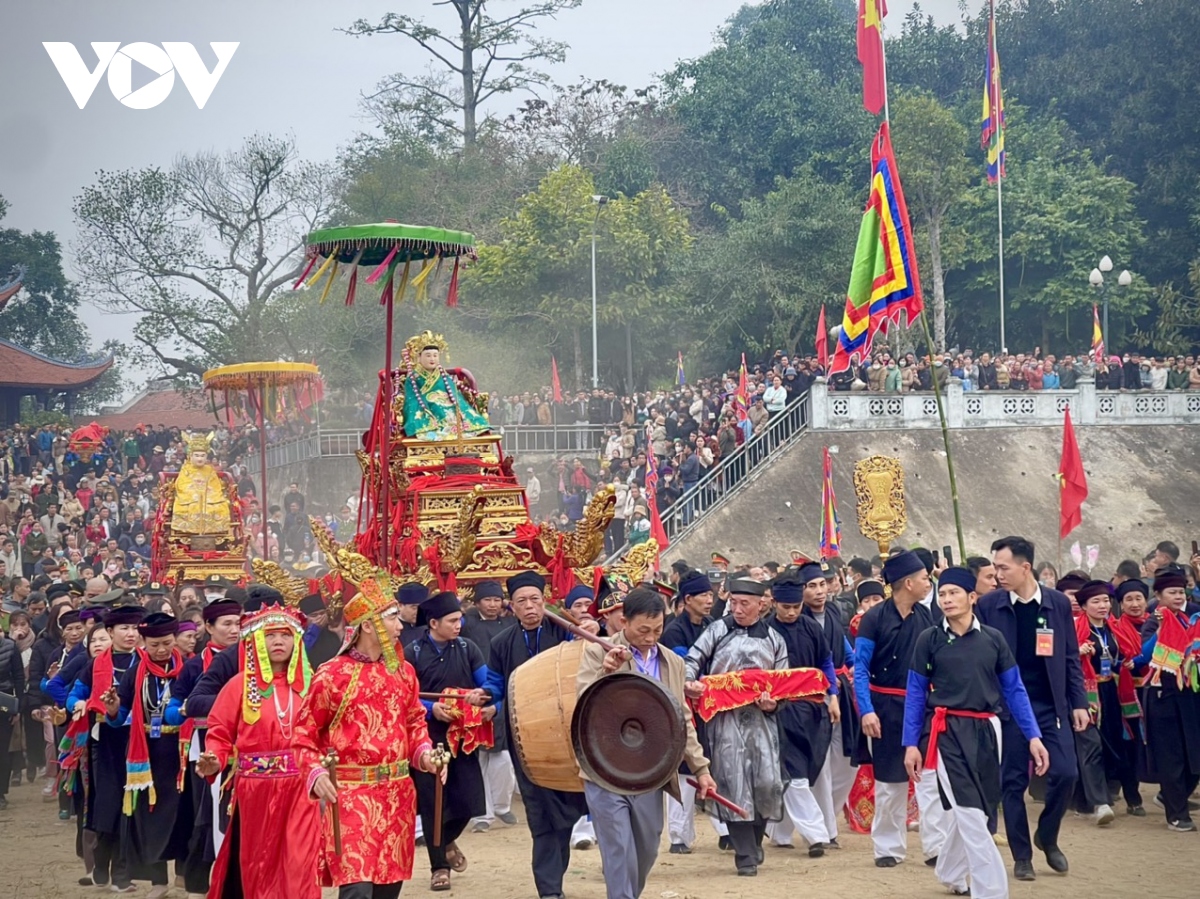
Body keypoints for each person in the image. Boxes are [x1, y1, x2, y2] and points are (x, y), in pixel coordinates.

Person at [292, 570, 442, 899]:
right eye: (391, 618)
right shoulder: (332, 675)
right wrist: (315, 772)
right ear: (369, 625)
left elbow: (415, 722)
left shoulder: (403, 672)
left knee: (388, 887)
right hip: (350, 794)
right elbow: (303, 733)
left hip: (396, 794)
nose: (400, 625)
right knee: (357, 888)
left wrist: (425, 754)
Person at [902, 566, 1050, 899]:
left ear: (972, 597)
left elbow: (1015, 690)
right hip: (944, 732)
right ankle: (993, 892)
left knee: (979, 810)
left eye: (954, 593)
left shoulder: (993, 639)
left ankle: (951, 871)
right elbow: (915, 693)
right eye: (941, 593)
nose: (946, 599)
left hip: (987, 730)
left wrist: (1034, 736)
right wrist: (911, 744)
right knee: (969, 812)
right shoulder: (929, 639)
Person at [575, 587, 716, 899]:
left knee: (648, 845)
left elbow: (682, 720)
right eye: (643, 630)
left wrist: (701, 768)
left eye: (658, 630)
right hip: (605, 766)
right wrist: (605, 670)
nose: (651, 637)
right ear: (624, 622)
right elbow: (582, 702)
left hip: (649, 770)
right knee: (617, 848)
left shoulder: (672, 664)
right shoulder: (599, 651)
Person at [976, 536, 1089, 880]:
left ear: (1025, 568)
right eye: (995, 567)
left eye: (1003, 567)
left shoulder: (1056, 604)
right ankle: (1021, 856)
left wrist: (1078, 703)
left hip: (1050, 706)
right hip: (1008, 709)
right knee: (1012, 783)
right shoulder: (990, 606)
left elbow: (1070, 658)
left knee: (1066, 772)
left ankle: (1048, 836)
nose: (997, 574)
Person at [195, 602, 320, 899]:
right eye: (270, 636)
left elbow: (328, 733)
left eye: (286, 635)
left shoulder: (313, 686)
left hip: (301, 790)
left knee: (301, 862)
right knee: (259, 864)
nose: (278, 642)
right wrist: (214, 758)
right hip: (256, 791)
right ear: (256, 642)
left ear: (297, 641)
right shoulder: (238, 686)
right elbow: (220, 732)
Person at [485, 570, 591, 899]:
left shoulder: (564, 633)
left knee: (567, 808)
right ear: (511, 607)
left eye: (535, 600)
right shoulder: (501, 643)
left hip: (566, 738)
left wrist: (589, 632)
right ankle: (549, 890)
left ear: (545, 603)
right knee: (540, 814)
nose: (530, 607)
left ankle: (554, 877)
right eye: (522, 602)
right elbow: (495, 686)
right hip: (525, 742)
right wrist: (487, 699)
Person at [684, 576, 789, 877]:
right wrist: (690, 681)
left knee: (765, 783)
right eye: (734, 603)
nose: (739, 609)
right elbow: (693, 659)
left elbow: (782, 681)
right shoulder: (718, 630)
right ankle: (744, 855)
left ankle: (755, 842)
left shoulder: (773, 638)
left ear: (761, 604)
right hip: (724, 719)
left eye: (745, 604)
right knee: (734, 781)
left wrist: (775, 703)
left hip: (761, 721)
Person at [854, 550, 948, 868]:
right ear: (907, 583)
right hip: (885, 707)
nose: (928, 583)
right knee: (890, 783)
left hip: (922, 708)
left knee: (929, 780)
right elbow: (861, 668)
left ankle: (936, 847)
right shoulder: (874, 618)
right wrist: (866, 710)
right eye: (924, 578)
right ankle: (888, 848)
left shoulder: (930, 618)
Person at [404, 591, 491, 892]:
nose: (459, 625)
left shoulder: (468, 648)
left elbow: (486, 684)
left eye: (460, 619)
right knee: (432, 805)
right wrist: (431, 709)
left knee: (469, 802)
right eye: (453, 620)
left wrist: (480, 696)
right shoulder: (411, 653)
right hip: (426, 739)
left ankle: (447, 839)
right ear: (433, 623)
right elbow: (405, 695)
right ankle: (439, 867)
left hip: (462, 737)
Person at [104, 611, 191, 898]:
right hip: (147, 753)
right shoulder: (135, 672)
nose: (161, 650)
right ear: (143, 643)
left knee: (184, 813)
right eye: (154, 645)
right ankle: (157, 882)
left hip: (181, 752)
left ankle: (183, 875)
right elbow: (120, 717)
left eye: (167, 643)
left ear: (175, 639)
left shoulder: (189, 669)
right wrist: (114, 708)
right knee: (149, 815)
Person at [166, 597, 243, 899]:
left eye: (239, 623)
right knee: (208, 815)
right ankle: (196, 881)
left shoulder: (258, 659)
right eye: (227, 624)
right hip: (206, 750)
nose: (235, 630)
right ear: (208, 627)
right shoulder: (196, 665)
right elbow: (176, 708)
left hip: (250, 750)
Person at [764, 565, 839, 857]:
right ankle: (816, 835)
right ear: (773, 602)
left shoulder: (811, 628)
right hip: (780, 712)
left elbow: (826, 662)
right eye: (786, 607)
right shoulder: (765, 632)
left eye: (796, 606)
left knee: (807, 769)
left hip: (813, 710)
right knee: (795, 772)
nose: (792, 612)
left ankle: (779, 832)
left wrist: (832, 695)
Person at [73, 603, 145, 891]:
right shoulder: (95, 664)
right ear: (110, 632)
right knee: (108, 806)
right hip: (104, 742)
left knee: (132, 807)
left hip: (138, 740)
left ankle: (122, 874)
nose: (130, 633)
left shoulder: (145, 661)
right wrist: (80, 703)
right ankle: (101, 864)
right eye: (124, 628)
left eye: (134, 628)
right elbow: (73, 694)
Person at [659, 570, 727, 853]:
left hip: (712, 706)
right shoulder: (674, 630)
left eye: (711, 595)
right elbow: (681, 671)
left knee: (714, 766)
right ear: (687, 600)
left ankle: (725, 829)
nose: (709, 600)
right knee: (686, 769)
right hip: (685, 706)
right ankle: (679, 836)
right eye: (703, 596)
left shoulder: (712, 624)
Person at [1135, 567, 1200, 831]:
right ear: (1159, 595)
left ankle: (1171, 797)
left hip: (1191, 696)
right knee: (1171, 756)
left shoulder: (1193, 618)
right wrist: (1162, 631)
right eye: (1171, 592)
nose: (1177, 596)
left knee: (1193, 756)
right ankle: (1177, 815)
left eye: (1180, 592)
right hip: (1163, 694)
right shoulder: (1155, 620)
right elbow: (1144, 656)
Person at [1074, 580, 1144, 817]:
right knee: (1092, 745)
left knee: (1121, 743)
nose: (1103, 606)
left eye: (1106, 600)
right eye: (1096, 601)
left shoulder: (1116, 628)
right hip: (1087, 694)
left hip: (1113, 693)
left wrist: (1126, 662)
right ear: (1084, 606)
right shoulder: (1076, 630)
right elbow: (1063, 658)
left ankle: (1132, 797)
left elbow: (1126, 653)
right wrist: (1077, 651)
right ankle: (1099, 803)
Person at [459, 581, 518, 834]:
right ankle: (483, 812)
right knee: (479, 756)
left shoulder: (510, 624)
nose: (493, 605)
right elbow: (456, 621)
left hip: (503, 693)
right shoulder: (468, 624)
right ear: (477, 602)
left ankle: (502, 805)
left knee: (503, 757)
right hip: (475, 694)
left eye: (497, 600)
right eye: (488, 600)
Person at [398, 332, 491, 441]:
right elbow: (411, 399)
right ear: (419, 357)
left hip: (448, 403)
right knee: (435, 413)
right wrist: (425, 408)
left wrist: (459, 406)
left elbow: (455, 395)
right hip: (427, 406)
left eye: (435, 355)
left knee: (464, 415)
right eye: (428, 356)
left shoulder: (443, 375)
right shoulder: (414, 377)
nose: (432, 359)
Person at [171, 433, 232, 538]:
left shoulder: (209, 469)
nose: (200, 459)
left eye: (202, 456)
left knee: (219, 506)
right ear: (191, 456)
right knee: (193, 506)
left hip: (208, 496)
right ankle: (190, 532)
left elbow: (215, 486)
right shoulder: (186, 469)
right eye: (197, 455)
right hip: (191, 497)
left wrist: (208, 493)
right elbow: (182, 485)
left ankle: (215, 532)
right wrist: (194, 493)